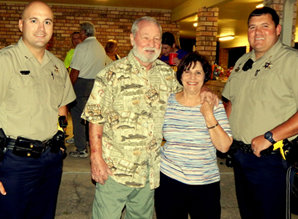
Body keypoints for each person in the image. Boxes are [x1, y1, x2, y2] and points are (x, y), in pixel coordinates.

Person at [81, 16, 218, 219]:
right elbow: (95, 118)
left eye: (156, 39)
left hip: (149, 172)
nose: (152, 44)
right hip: (115, 171)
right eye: (146, 37)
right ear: (132, 39)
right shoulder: (111, 74)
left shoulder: (167, 74)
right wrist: (95, 158)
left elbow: (190, 90)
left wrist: (206, 89)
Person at [221, 7, 298, 219]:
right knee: (248, 213)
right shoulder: (243, 62)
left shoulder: (294, 61)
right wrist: (224, 134)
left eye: (265, 26)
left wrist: (270, 137)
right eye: (252, 27)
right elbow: (231, 103)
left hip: (271, 160)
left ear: (277, 29)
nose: (257, 32)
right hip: (241, 155)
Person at [0, 1, 76, 218]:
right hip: (15, 162)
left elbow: (62, 106)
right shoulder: (2, 62)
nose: (41, 28)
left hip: (51, 160)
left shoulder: (58, 66)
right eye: (34, 20)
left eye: (47, 21)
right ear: (21, 25)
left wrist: (60, 141)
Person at [155, 52, 233, 219]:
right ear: (180, 74)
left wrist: (208, 115)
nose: (192, 77)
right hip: (170, 179)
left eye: (198, 72)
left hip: (205, 183)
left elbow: (224, 146)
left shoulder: (214, 104)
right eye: (187, 71)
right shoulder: (167, 103)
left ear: (205, 76)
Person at [69, 21, 106, 158]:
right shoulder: (100, 47)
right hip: (96, 85)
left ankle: (81, 148)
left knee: (78, 116)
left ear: (83, 32)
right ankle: (92, 144)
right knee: (92, 117)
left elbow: (75, 71)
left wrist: (68, 88)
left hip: (82, 84)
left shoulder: (82, 47)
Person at [64, 31, 82, 145]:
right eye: (73, 38)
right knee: (74, 113)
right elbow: (66, 68)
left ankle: (81, 138)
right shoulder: (70, 53)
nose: (75, 40)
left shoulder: (84, 51)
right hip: (73, 84)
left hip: (82, 84)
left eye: (77, 38)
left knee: (80, 113)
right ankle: (76, 136)